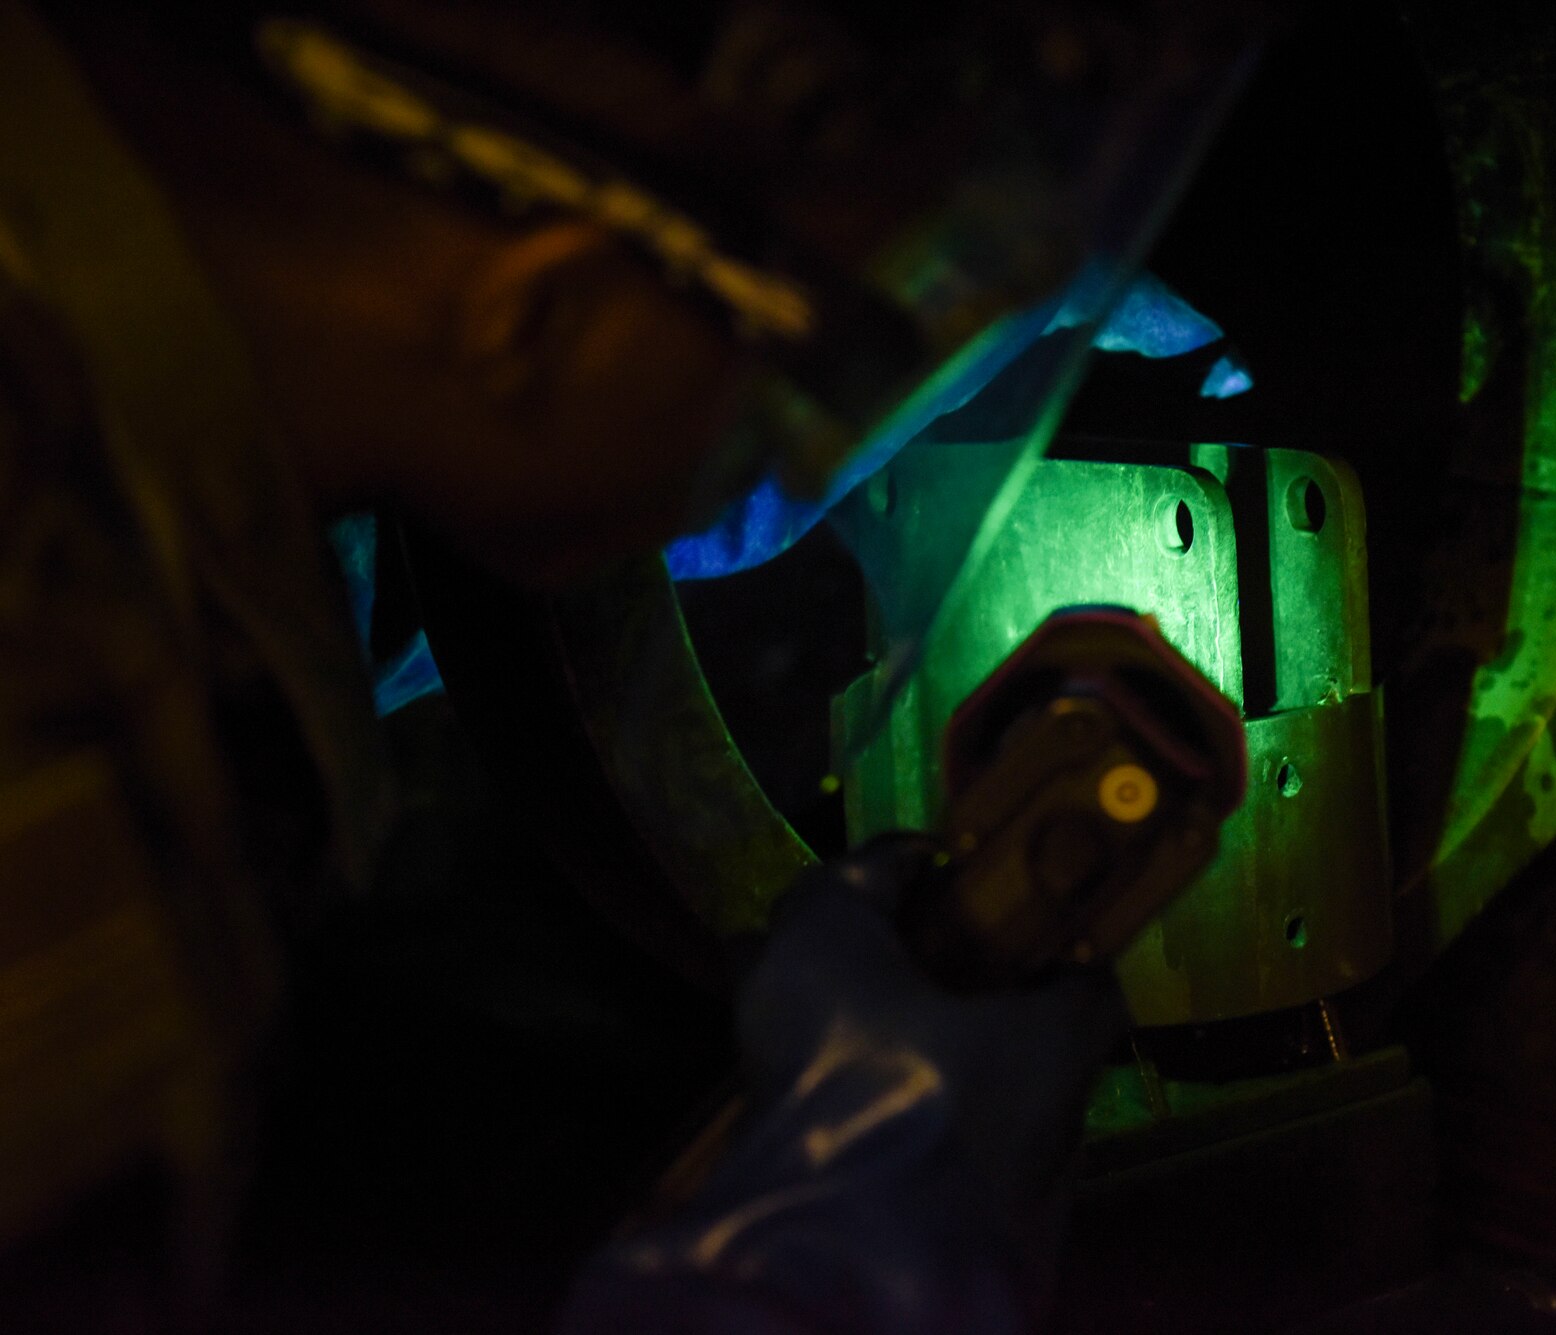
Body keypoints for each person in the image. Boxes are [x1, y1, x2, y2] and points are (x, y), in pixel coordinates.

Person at [0, 1, 1258, 1329]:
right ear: (540, 315)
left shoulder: (121, 438)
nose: (815, 451)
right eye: (809, 379)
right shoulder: (58, 811)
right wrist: (824, 1252)